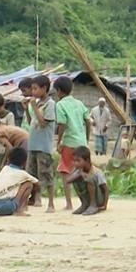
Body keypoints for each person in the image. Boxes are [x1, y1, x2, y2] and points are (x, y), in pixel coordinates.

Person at [54, 76, 91, 211]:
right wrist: (86, 138)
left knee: (65, 171)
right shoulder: (79, 103)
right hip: (81, 142)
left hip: (69, 142)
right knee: (85, 171)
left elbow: (62, 124)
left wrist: (59, 141)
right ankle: (89, 200)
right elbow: (88, 121)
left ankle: (69, 203)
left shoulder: (60, 105)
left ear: (58, 91)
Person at [25, 75, 57, 212]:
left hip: (44, 145)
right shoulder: (37, 104)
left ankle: (51, 203)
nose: (33, 92)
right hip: (33, 144)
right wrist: (27, 109)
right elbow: (31, 122)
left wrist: (33, 106)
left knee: (46, 173)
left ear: (44, 88)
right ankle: (35, 198)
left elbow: (43, 123)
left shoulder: (50, 104)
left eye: (35, 89)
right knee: (32, 173)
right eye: (32, 89)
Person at [0, 147, 37, 216]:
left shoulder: (5, 168)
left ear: (8, 159)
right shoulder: (22, 173)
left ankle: (16, 207)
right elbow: (37, 183)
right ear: (25, 162)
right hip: (7, 206)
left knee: (16, 185)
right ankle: (19, 210)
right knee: (28, 184)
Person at [65, 146, 109, 215]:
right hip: (89, 198)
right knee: (75, 179)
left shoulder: (97, 172)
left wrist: (105, 205)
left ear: (87, 160)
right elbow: (67, 181)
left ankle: (93, 205)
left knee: (89, 178)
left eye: (78, 160)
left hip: (99, 200)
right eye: (74, 161)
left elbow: (106, 189)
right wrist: (78, 173)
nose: (75, 163)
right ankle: (85, 204)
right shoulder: (80, 170)